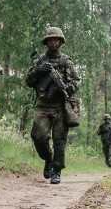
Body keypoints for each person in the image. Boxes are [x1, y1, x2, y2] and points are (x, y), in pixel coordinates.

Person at [25, 27, 81, 185]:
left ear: (61, 42)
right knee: (39, 137)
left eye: (56, 39)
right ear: (46, 42)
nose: (53, 42)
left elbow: (76, 81)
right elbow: (28, 82)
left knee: (59, 141)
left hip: (60, 107)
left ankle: (57, 171)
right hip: (42, 106)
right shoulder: (39, 60)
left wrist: (63, 89)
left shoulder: (65, 61)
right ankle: (48, 159)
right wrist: (37, 71)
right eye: (51, 39)